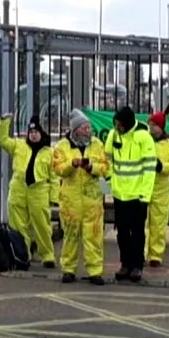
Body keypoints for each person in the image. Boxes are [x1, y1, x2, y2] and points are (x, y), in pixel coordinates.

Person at [52, 110, 109, 285]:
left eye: (89, 127)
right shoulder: (62, 146)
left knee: (94, 236)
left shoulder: (97, 144)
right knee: (71, 235)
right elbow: (57, 169)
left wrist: (91, 167)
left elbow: (105, 167)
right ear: (75, 130)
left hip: (92, 200)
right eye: (85, 127)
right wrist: (72, 164)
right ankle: (68, 270)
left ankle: (95, 271)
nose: (88, 130)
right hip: (71, 201)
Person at [105, 106, 158, 283]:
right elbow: (107, 159)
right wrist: (110, 178)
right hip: (119, 194)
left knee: (137, 233)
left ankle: (137, 266)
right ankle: (125, 264)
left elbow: (149, 169)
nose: (117, 127)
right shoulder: (113, 135)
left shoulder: (143, 137)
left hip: (137, 196)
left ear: (127, 123)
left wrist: (145, 196)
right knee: (122, 233)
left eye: (120, 124)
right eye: (116, 123)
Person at [0, 114, 56, 268]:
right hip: (19, 189)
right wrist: (4, 122)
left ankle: (47, 255)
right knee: (19, 226)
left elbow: (54, 176)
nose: (33, 135)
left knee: (42, 225)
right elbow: (2, 140)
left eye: (36, 132)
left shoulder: (49, 152)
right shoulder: (19, 145)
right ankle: (23, 255)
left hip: (39, 191)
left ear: (41, 133)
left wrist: (54, 197)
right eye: (31, 132)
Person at [146, 111, 169, 268]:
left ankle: (155, 255)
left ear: (161, 127)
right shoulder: (144, 141)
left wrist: (162, 167)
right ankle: (141, 253)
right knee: (142, 223)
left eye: (154, 124)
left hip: (161, 190)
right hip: (144, 187)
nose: (151, 127)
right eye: (150, 124)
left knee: (159, 224)